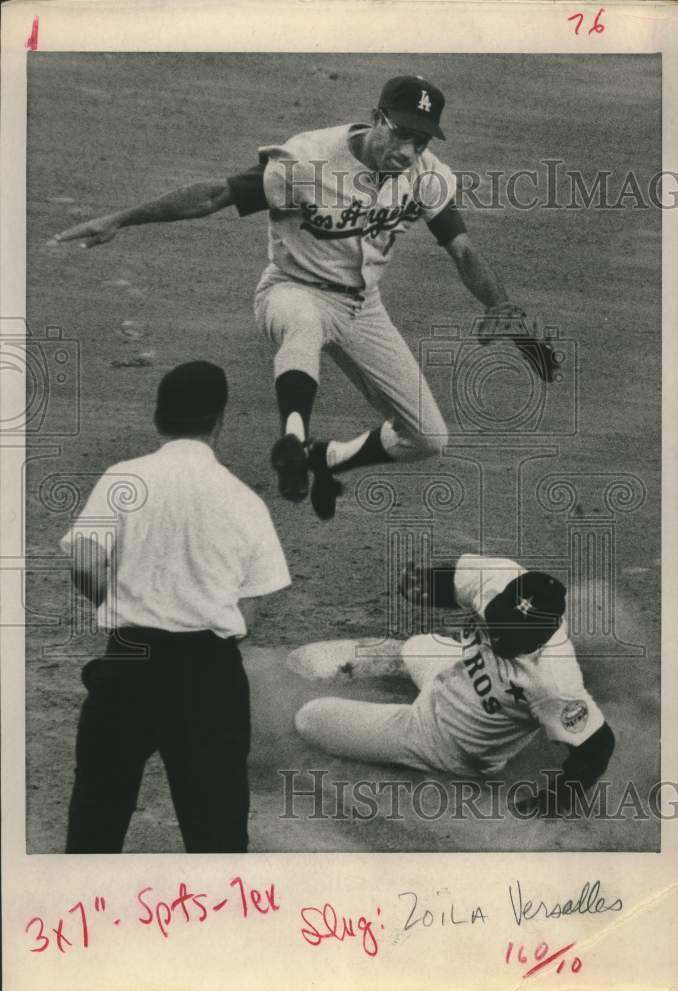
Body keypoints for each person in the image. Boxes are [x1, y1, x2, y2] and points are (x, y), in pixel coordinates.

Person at [55, 75, 559, 520]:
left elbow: (462, 249)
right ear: (376, 118)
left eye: (421, 140)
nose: (408, 151)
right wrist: (122, 219)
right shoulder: (308, 160)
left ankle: (324, 459)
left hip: (363, 308)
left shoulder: (426, 176)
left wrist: (503, 311)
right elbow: (216, 195)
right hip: (291, 289)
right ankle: (292, 439)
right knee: (302, 323)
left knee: (428, 438)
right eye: (401, 134)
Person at [60, 361, 291, 852]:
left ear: (158, 418)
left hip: (129, 659)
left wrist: (117, 607)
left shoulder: (122, 478)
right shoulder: (245, 500)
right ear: (219, 422)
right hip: (209, 673)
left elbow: (84, 563)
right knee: (217, 838)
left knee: (95, 826)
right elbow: (250, 610)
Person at [294, 554, 615, 815]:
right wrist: (426, 586)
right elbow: (450, 581)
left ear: (543, 636)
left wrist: (556, 800)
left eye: (511, 637)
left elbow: (597, 747)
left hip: (443, 743)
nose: (498, 637)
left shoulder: (554, 682)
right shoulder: (499, 576)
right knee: (417, 646)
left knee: (309, 718)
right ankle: (408, 661)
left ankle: (407, 728)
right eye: (498, 624)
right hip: (456, 674)